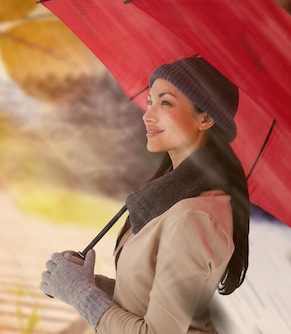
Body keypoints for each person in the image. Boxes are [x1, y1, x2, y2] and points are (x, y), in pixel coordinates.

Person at [40, 57, 250, 333]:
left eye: (165, 103)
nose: (147, 115)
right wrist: (86, 282)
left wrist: (81, 294)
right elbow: (150, 300)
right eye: (150, 101)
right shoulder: (168, 197)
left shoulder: (195, 217)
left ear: (206, 118)